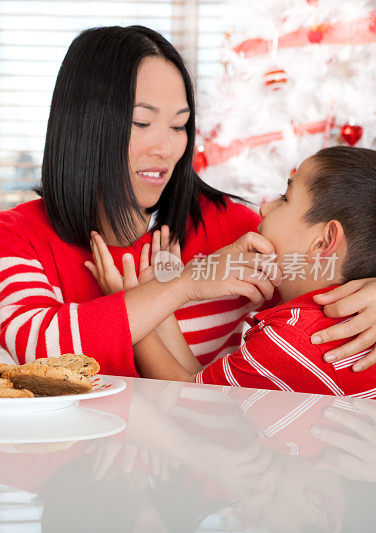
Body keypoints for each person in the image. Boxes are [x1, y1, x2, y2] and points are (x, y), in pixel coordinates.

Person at [0, 25, 376, 375]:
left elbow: (335, 265)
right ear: (87, 126)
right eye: (142, 122)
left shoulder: (240, 233)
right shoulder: (17, 236)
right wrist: (184, 285)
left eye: (179, 125)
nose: (167, 148)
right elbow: (37, 353)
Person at [111, 146, 376, 396]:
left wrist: (131, 313)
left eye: (285, 199)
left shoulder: (289, 340)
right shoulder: (349, 323)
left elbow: (188, 400)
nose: (264, 207)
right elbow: (203, 387)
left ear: (323, 242)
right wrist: (161, 300)